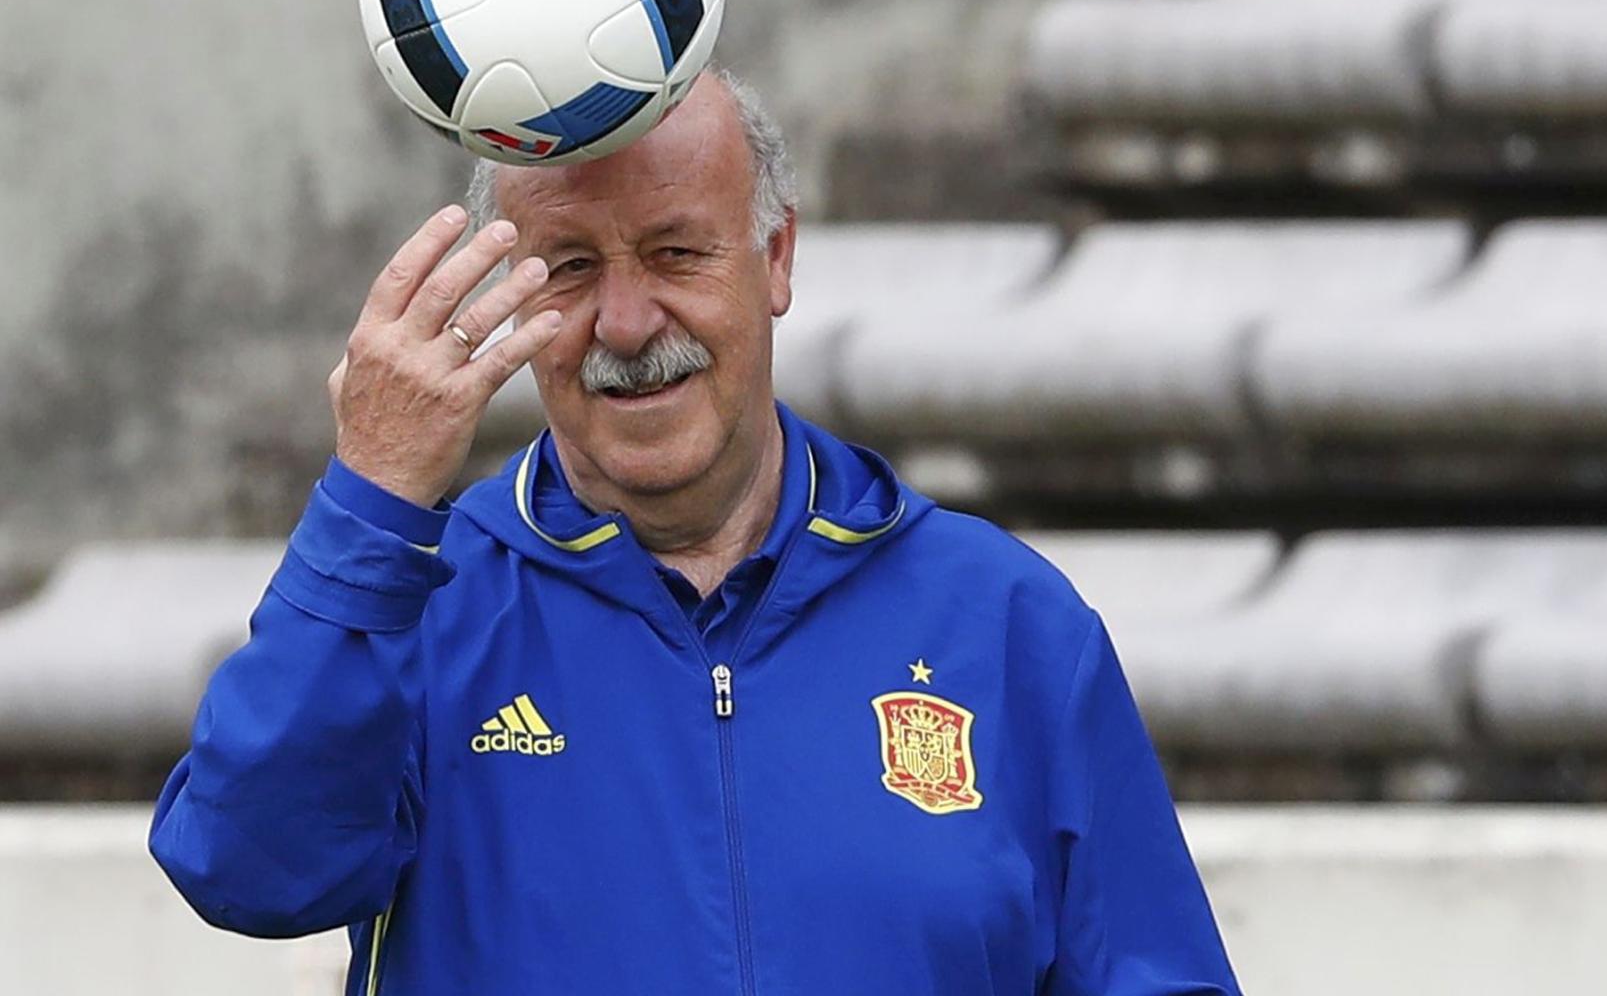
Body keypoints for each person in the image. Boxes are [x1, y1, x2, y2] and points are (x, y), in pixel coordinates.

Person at [150, 69, 1240, 995]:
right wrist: (370, 497)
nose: (625, 324)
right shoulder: (419, 606)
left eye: (675, 253)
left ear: (775, 258)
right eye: (569, 267)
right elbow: (248, 867)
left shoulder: (1005, 622)